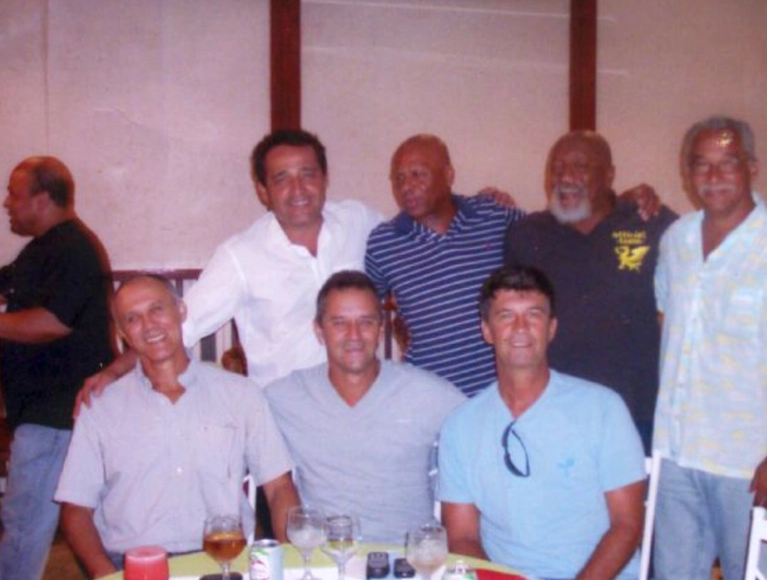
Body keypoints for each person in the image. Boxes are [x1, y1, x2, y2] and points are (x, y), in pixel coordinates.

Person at [652, 116, 767, 580]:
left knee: (751, 575)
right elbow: (667, 320)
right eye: (701, 166)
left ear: (752, 167)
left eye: (727, 164)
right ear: (688, 174)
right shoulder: (676, 241)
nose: (713, 177)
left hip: (748, 463)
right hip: (676, 453)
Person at [82, 128, 384, 393]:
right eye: (282, 179)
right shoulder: (241, 256)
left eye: (308, 175)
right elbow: (180, 328)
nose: (298, 190)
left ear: (325, 178)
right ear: (263, 191)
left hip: (359, 401)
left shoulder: (358, 222)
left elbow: (408, 253)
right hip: (284, 418)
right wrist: (112, 373)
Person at [55, 275, 299, 577]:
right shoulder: (101, 407)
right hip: (131, 565)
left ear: (181, 311)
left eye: (157, 309)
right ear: (122, 333)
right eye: (133, 318)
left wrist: (295, 566)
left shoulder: (241, 395)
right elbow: (76, 509)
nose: (149, 325)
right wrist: (107, 576)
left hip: (222, 561)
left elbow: (279, 488)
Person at [439, 266, 646, 580]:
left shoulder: (602, 409)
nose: (520, 327)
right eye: (506, 315)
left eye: (534, 314)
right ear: (486, 330)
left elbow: (627, 525)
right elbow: (462, 537)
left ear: (551, 328)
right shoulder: (460, 425)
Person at [0, 157, 115, 580]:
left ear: (42, 199)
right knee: (34, 524)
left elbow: (51, 324)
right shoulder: (42, 250)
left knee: (25, 526)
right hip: (47, 413)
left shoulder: (73, 249)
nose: (6, 203)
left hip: (58, 415)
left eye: (14, 194)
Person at [265, 270, 465, 543]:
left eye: (366, 322)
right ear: (319, 330)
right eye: (339, 323)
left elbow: (483, 436)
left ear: (381, 329)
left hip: (409, 565)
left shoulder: (431, 395)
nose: (354, 335)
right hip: (328, 563)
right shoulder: (285, 397)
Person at [505, 130, 677, 446]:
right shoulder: (527, 235)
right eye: (556, 169)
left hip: (635, 413)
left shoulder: (650, 224)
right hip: (552, 415)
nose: (566, 177)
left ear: (609, 175)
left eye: (581, 168)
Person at [365, 134, 524, 396]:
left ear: (449, 175)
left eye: (418, 175)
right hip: (431, 396)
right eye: (399, 179)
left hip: (501, 392)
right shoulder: (383, 242)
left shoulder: (493, 215)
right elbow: (369, 309)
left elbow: (543, 246)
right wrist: (398, 329)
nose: (407, 187)